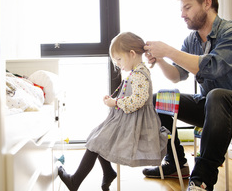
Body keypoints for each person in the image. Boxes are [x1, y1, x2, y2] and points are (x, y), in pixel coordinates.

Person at [142, 0, 232, 191]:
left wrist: (168, 50)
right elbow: (177, 76)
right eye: (181, 9)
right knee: (158, 99)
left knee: (218, 96)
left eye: (187, 7)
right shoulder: (191, 40)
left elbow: (212, 68)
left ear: (207, 3)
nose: (182, 14)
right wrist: (160, 60)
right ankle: (175, 163)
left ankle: (201, 180)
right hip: (212, 106)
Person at [58, 32, 168, 191]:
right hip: (129, 120)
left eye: (119, 59)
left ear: (131, 54)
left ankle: (75, 181)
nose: (117, 64)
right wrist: (114, 99)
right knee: (98, 137)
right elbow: (133, 96)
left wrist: (115, 102)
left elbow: (137, 101)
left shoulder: (139, 74)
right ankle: (108, 172)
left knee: (97, 141)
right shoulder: (135, 72)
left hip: (136, 126)